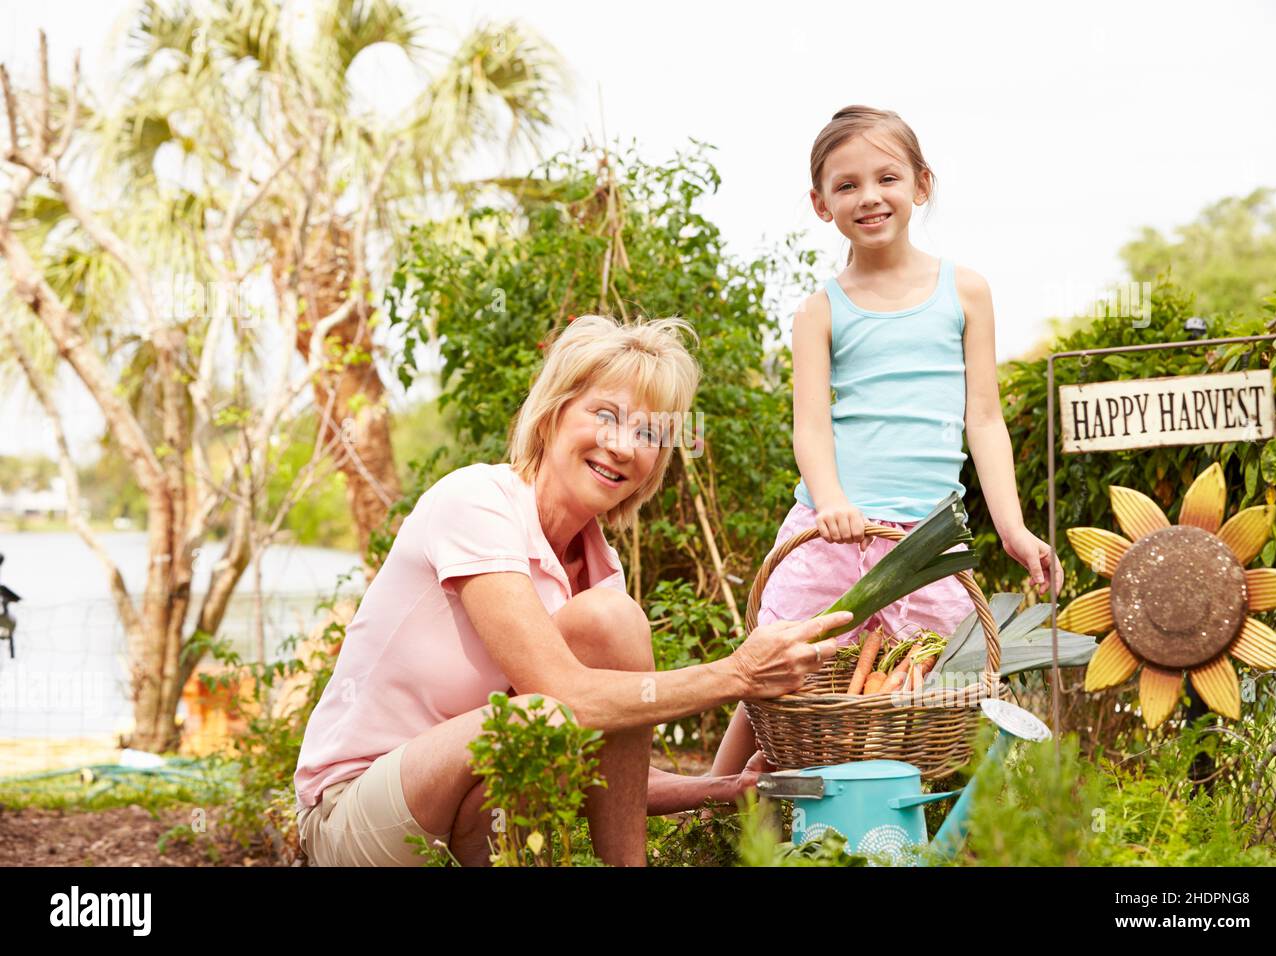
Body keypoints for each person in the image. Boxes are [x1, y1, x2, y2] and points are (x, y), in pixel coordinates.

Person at [293, 314, 853, 866]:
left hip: (462, 818)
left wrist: (719, 787)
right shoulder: (475, 501)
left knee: (610, 628)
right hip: (355, 813)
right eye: (605, 415)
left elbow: (609, 770)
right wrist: (738, 674)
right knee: (545, 715)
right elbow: (562, 698)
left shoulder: (600, 571)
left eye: (650, 433)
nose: (624, 446)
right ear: (552, 415)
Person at [711, 105, 1064, 777]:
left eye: (886, 178)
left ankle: (901, 813)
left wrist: (1013, 530)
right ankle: (715, 793)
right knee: (780, 663)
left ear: (920, 185)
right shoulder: (820, 308)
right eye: (846, 185)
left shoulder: (965, 290)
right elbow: (810, 426)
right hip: (835, 528)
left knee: (923, 681)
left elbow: (983, 419)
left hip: (928, 538)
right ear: (821, 204)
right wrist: (833, 502)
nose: (868, 197)